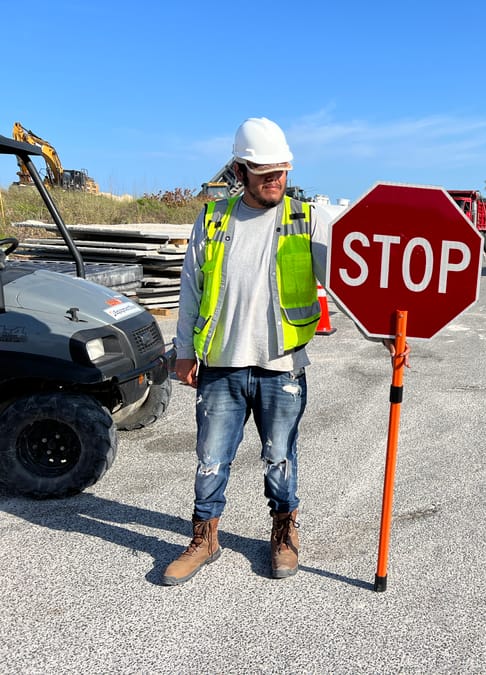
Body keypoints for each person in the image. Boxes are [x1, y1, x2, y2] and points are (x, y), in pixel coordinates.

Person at [163, 117, 402, 586]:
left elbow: (351, 280)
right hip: (221, 366)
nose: (276, 180)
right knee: (210, 456)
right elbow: (190, 289)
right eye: (265, 173)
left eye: (282, 171)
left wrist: (384, 334)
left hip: (282, 366)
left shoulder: (307, 218)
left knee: (280, 456)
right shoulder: (213, 219)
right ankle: (204, 537)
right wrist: (185, 352)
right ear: (240, 171)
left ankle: (283, 532)